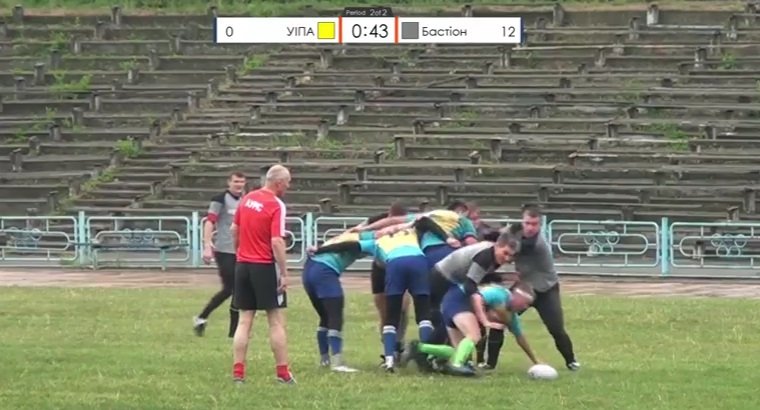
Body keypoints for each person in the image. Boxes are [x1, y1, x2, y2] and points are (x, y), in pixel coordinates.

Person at [479, 204, 580, 371]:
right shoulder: (513, 231)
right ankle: (490, 363)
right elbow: (501, 241)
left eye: (535, 224)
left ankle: (571, 361)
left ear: (540, 224)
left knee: (556, 328)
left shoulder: (538, 243)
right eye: (527, 223)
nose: (531, 228)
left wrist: (495, 235)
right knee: (500, 317)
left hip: (545, 288)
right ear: (522, 221)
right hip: (524, 287)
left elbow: (514, 249)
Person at [230, 164, 295, 384]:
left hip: (243, 265)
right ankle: (283, 373)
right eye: (287, 182)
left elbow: (234, 229)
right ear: (279, 182)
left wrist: (239, 252)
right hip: (264, 266)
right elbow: (277, 241)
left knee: (244, 320)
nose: (288, 186)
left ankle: (238, 373)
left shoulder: (247, 199)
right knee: (275, 320)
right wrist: (284, 272)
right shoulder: (276, 204)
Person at [406, 282, 540, 376]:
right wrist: (485, 321)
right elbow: (476, 297)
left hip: (456, 308)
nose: (526, 307)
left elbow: (520, 338)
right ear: (516, 295)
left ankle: (418, 348)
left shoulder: (512, 316)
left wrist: (536, 362)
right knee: (474, 336)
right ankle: (456, 366)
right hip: (457, 302)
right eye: (526, 303)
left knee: (457, 351)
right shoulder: (500, 294)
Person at [426, 232, 522, 346]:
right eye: (505, 253)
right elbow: (470, 285)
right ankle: (421, 350)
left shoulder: (493, 254)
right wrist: (481, 311)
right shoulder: (486, 256)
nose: (507, 258)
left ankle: (427, 350)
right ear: (497, 245)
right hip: (442, 279)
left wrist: (502, 277)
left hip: (451, 280)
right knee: (448, 323)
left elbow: (477, 277)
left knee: (451, 325)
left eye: (511, 256)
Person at [301, 229, 375, 373]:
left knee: (325, 317)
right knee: (335, 316)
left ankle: (324, 359)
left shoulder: (350, 233)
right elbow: (350, 246)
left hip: (309, 268)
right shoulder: (372, 241)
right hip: (324, 270)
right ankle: (337, 362)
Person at [193, 171, 246, 338]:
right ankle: (202, 317)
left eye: (241, 182)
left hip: (241, 251)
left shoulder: (246, 200)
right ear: (229, 182)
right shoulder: (220, 199)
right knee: (231, 288)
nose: (239, 185)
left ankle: (232, 331)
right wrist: (207, 245)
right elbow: (210, 221)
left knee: (238, 289)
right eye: (236, 181)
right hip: (224, 250)